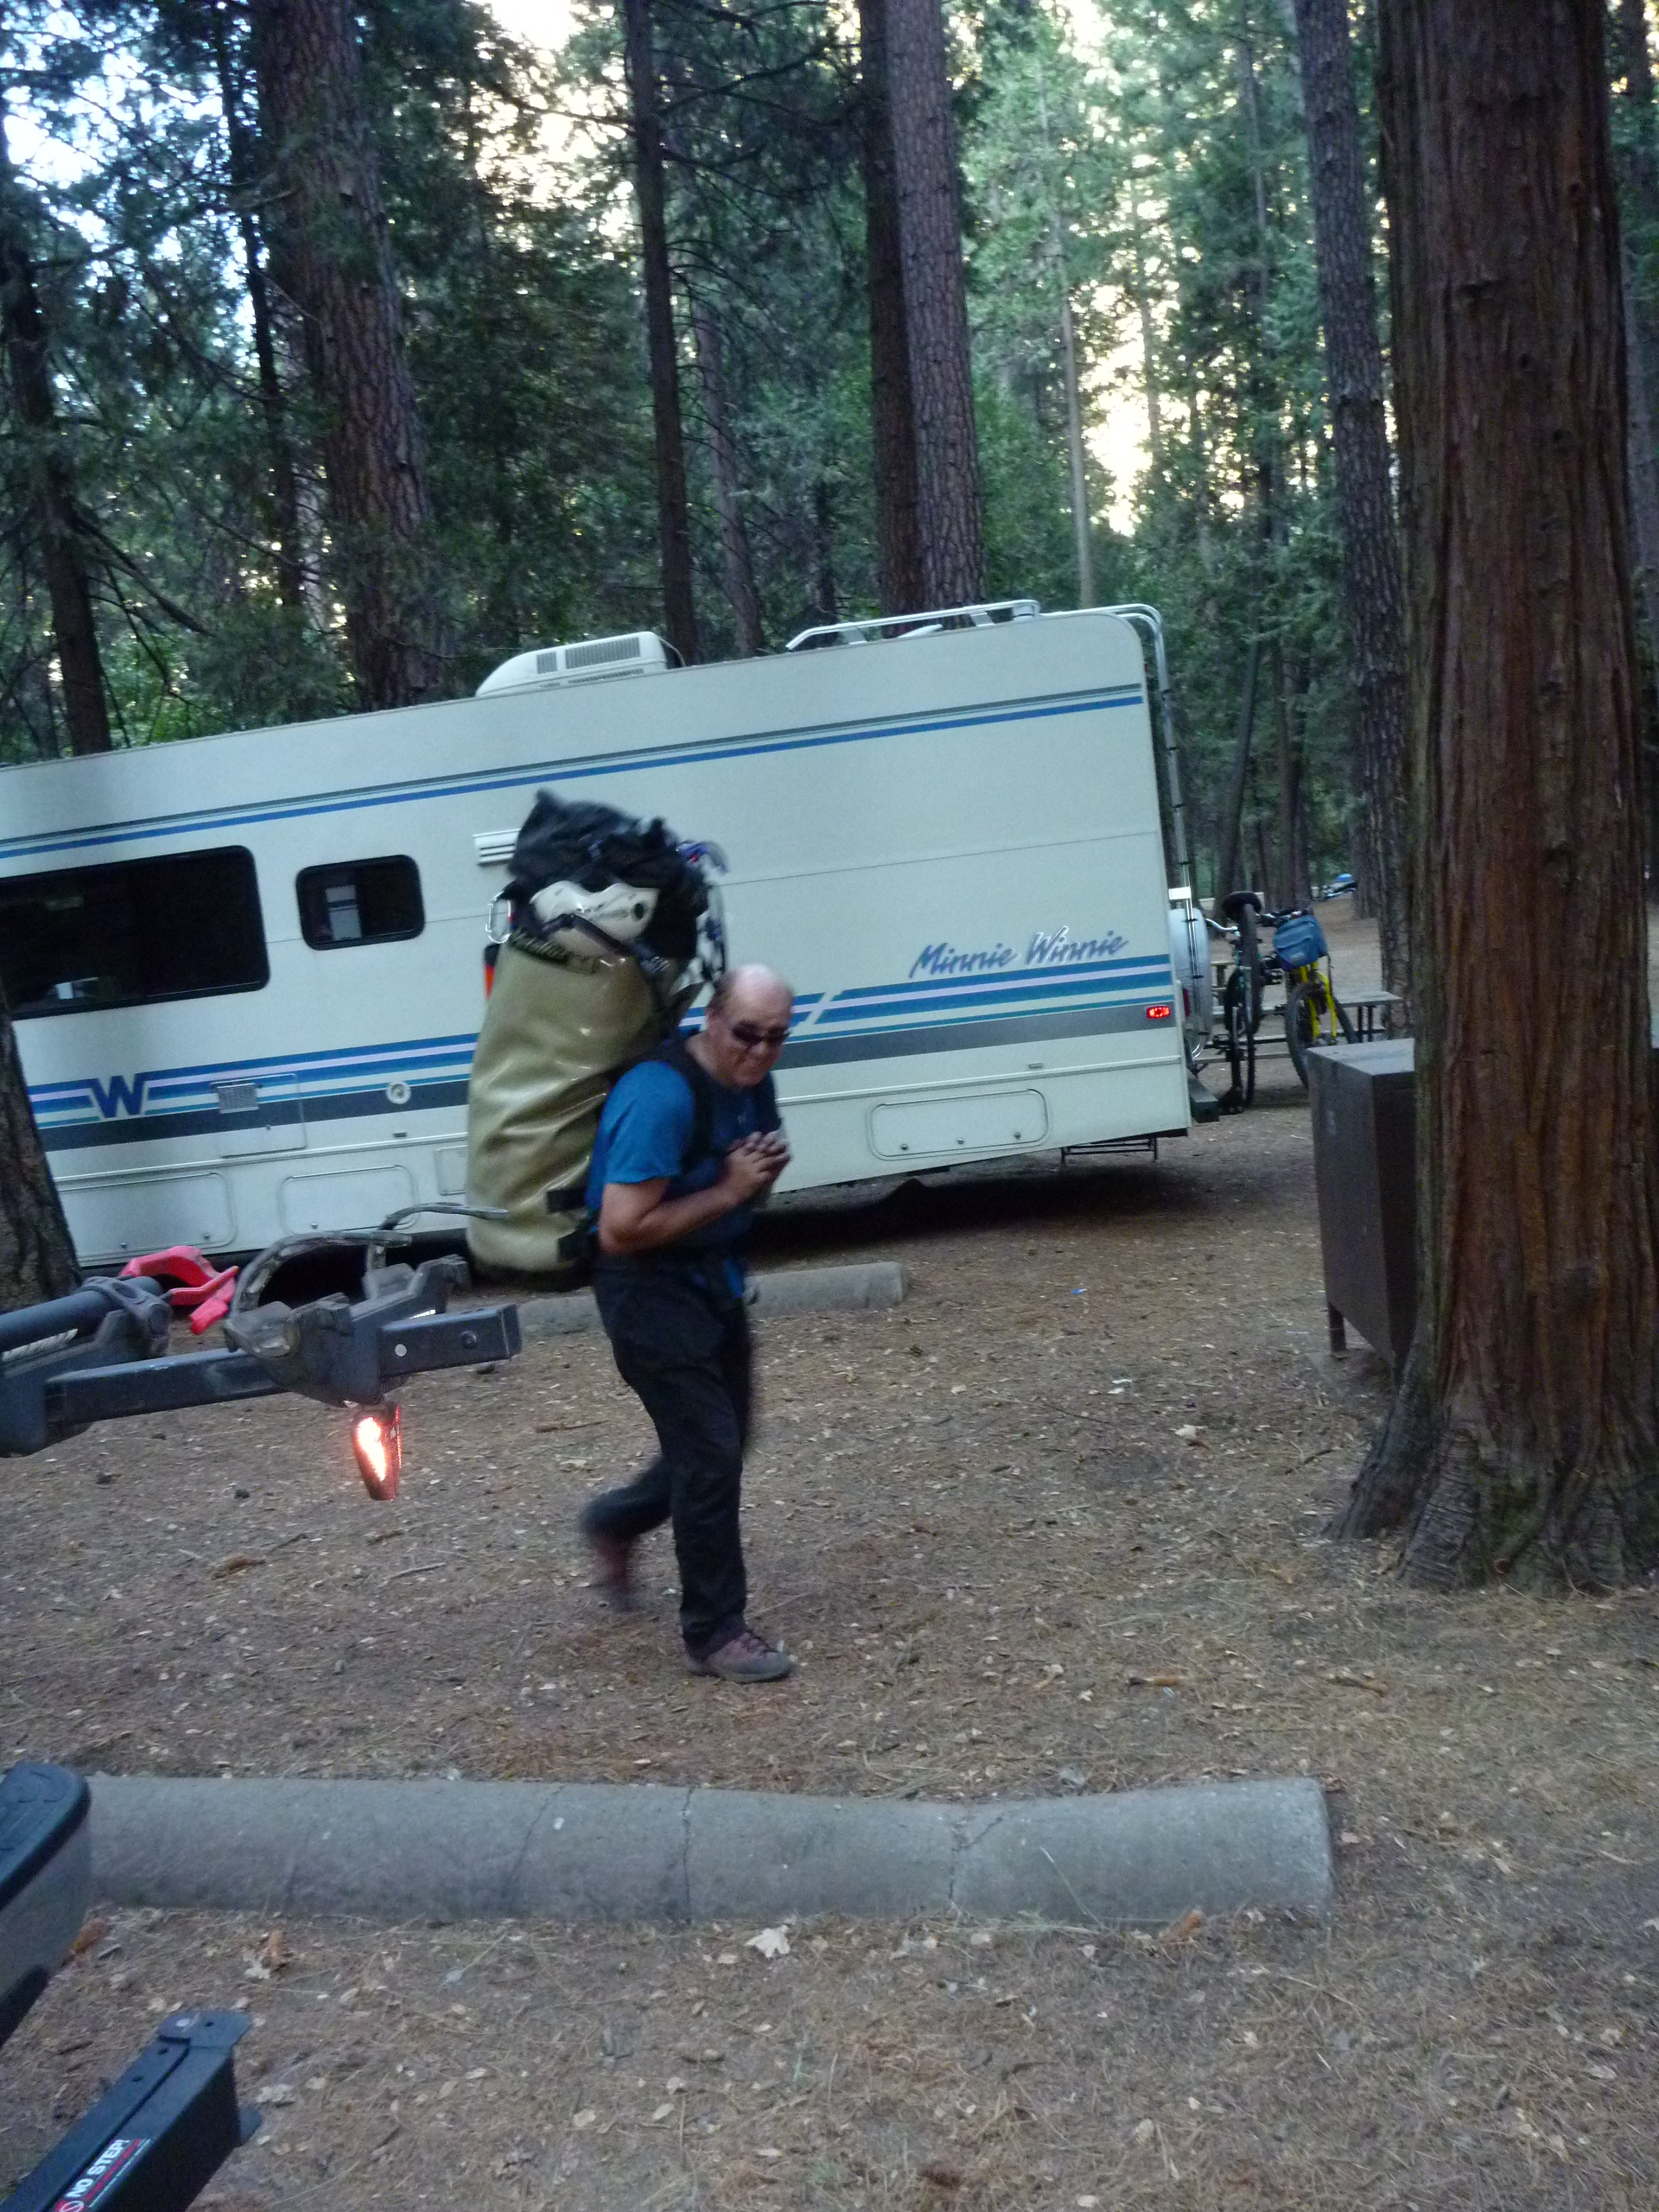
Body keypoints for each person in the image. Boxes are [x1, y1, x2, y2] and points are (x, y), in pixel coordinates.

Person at [578, 964, 795, 1682]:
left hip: (711, 1281)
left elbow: (743, 1178)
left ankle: (615, 1520)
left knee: (725, 1440)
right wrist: (731, 1189)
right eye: (747, 1034)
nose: (760, 1052)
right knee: (709, 1451)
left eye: (776, 1038)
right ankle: (714, 1630)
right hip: (646, 1291)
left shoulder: (752, 1082)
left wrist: (756, 1181)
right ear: (712, 1019)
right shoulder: (661, 1095)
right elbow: (621, 1229)